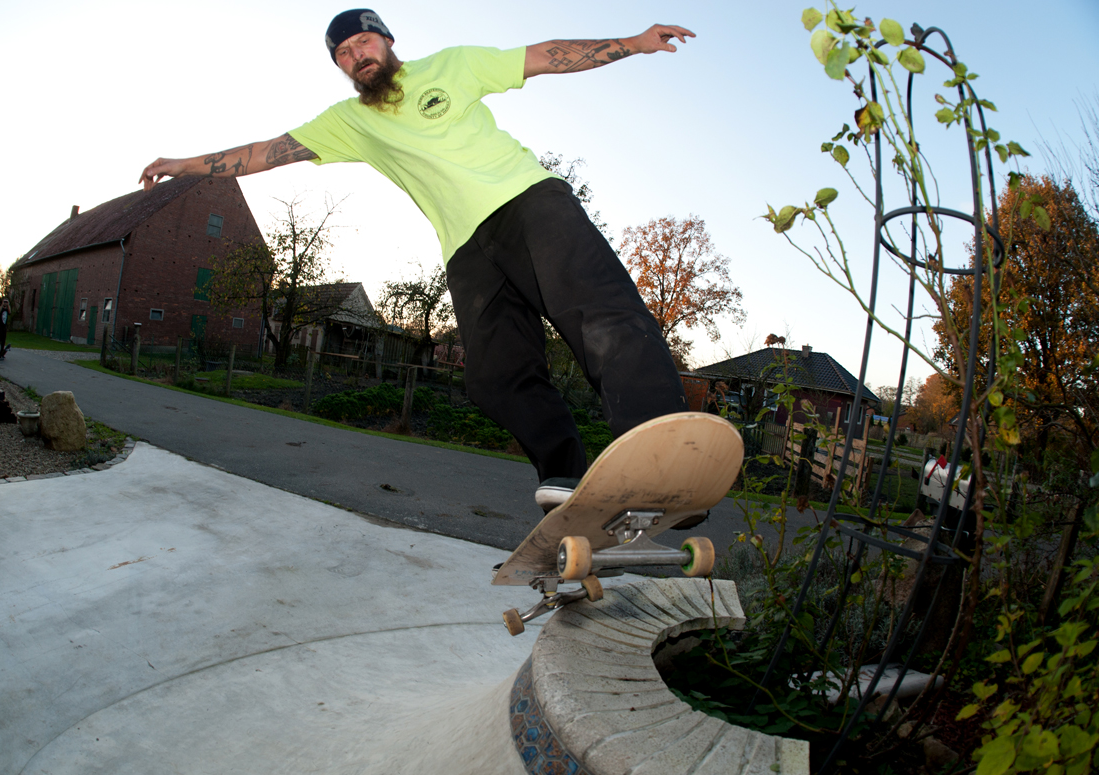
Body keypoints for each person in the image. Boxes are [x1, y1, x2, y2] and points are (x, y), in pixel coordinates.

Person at [140, 9, 692, 511]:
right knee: (494, 377)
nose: (357, 57)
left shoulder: (451, 65)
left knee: (600, 318)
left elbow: (545, 56)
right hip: (465, 246)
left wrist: (634, 42)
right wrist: (184, 164)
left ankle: (668, 461)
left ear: (386, 40)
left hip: (530, 202)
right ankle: (566, 475)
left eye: (362, 43)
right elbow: (265, 152)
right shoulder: (347, 122)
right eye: (344, 55)